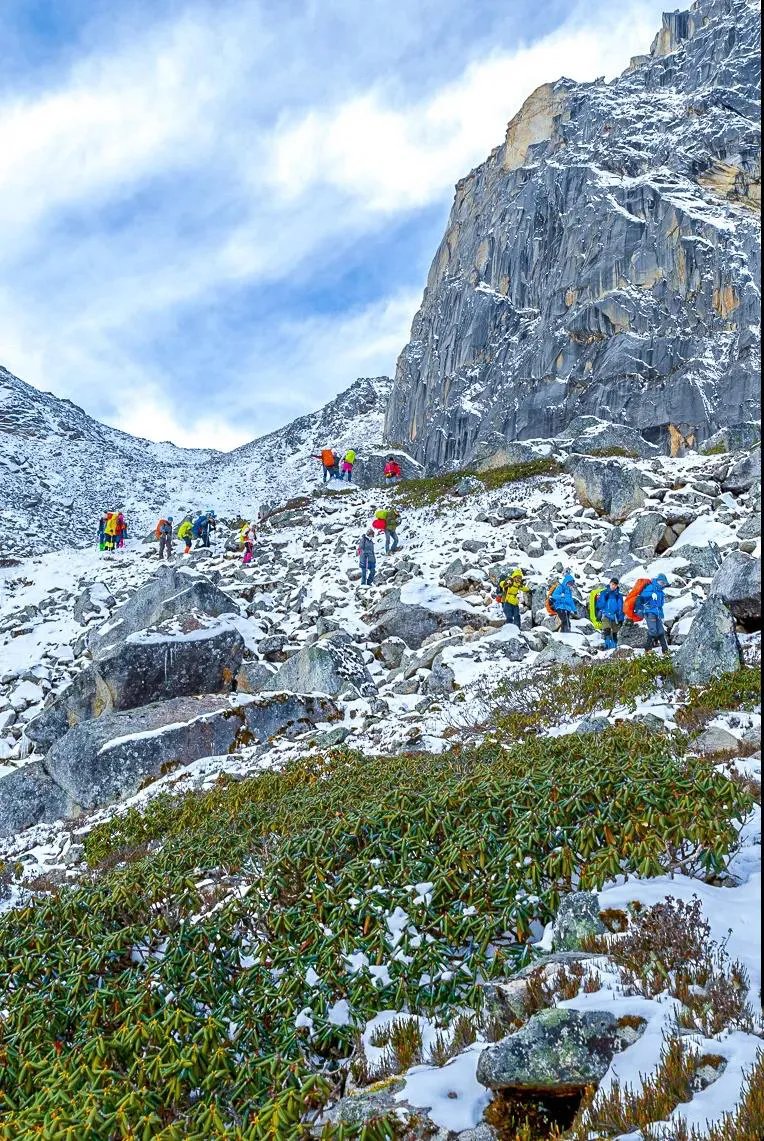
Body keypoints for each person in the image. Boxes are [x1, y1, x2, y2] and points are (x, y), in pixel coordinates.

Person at [635, 574, 670, 654]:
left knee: (661, 631)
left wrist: (661, 614)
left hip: (657, 613)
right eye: (661, 582)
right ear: (657, 580)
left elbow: (660, 605)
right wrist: (651, 594)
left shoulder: (660, 591)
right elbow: (643, 595)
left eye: (663, 583)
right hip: (649, 612)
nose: (662, 584)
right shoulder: (651, 587)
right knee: (653, 630)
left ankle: (665, 650)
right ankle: (648, 649)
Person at [596, 578, 625, 650]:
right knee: (607, 630)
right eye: (612, 584)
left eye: (615, 585)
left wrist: (621, 619)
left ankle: (614, 648)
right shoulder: (604, 593)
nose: (613, 586)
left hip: (615, 617)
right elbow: (599, 605)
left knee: (615, 633)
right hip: (605, 614)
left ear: (617, 585)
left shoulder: (619, 595)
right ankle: (607, 647)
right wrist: (604, 597)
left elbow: (621, 608)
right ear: (609, 583)